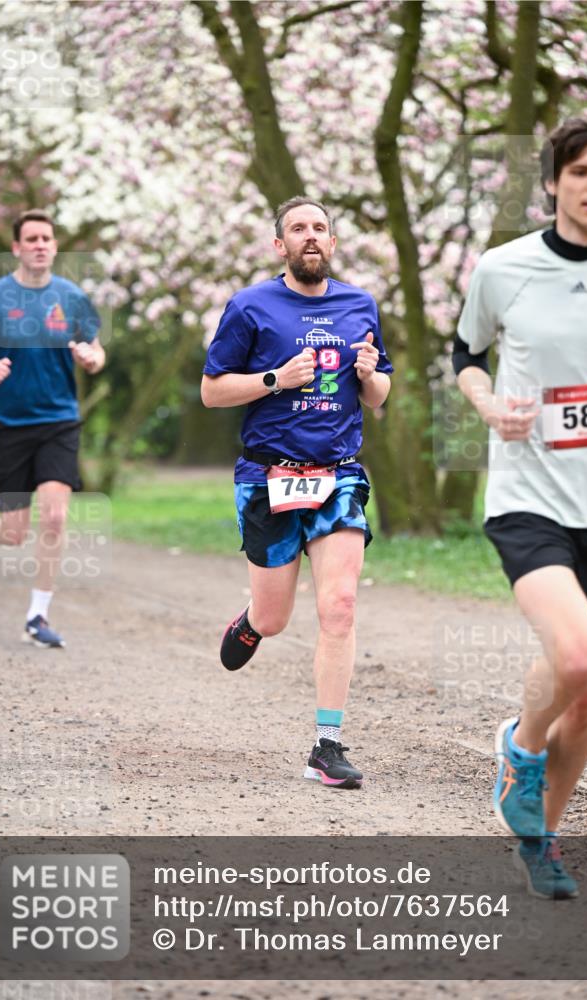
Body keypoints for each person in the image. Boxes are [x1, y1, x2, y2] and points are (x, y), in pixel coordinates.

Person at [454, 114, 587, 897]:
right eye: (580, 171)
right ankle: (519, 748)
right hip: (528, 497)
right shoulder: (504, 268)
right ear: (552, 182)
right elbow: (466, 352)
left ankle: (540, 842)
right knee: (578, 656)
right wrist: (488, 405)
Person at [201, 196, 392, 789]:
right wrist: (274, 379)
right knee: (276, 616)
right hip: (268, 476)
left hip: (338, 474)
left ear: (332, 242)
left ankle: (325, 747)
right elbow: (211, 391)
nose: (311, 236)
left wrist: (370, 376)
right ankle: (254, 620)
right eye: (298, 228)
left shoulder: (360, 305)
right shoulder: (250, 306)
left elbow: (378, 396)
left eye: (320, 227)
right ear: (279, 245)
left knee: (340, 605)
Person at [0, 209, 105, 648]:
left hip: (58, 421)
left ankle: (37, 616)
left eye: (46, 238)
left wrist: (91, 359)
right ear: (17, 248)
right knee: (14, 531)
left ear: (55, 247)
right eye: (31, 239)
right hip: (6, 424)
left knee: (55, 517)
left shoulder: (72, 297)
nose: (40, 245)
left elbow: (96, 351)